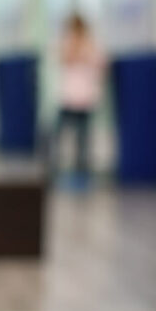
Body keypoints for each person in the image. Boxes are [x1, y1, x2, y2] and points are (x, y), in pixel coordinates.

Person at [51, 12, 106, 187]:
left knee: (83, 140)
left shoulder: (91, 45)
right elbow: (63, 59)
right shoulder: (66, 43)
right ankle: (55, 171)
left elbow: (100, 65)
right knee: (59, 136)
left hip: (84, 100)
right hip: (68, 99)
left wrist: (82, 52)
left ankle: (82, 174)